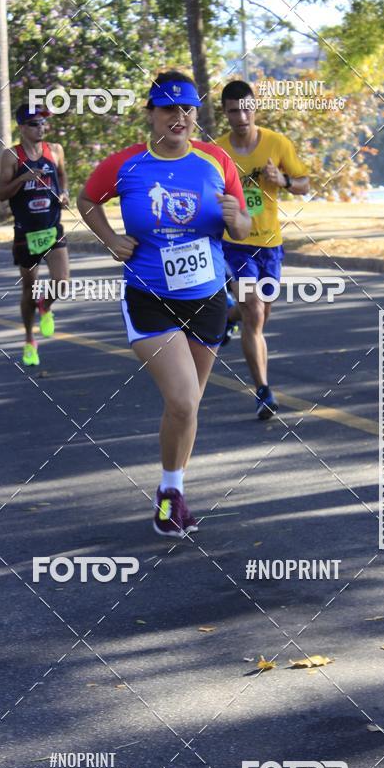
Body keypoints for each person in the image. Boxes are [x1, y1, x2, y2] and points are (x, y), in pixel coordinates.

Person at [77, 70, 250, 537]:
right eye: (169, 108)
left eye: (188, 108)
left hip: (209, 297)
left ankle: (171, 492)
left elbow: (243, 228)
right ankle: (170, 494)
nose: (179, 116)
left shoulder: (216, 160)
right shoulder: (125, 165)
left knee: (187, 408)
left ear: (197, 114)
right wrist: (111, 238)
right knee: (183, 399)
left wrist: (239, 218)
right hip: (150, 297)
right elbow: (87, 199)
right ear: (151, 114)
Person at [215, 80, 310, 419]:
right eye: (232, 110)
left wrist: (283, 181)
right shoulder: (218, 152)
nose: (240, 116)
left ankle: (227, 317)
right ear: (225, 113)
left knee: (260, 313)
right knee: (254, 311)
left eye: (245, 108)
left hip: (270, 244)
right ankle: (263, 391)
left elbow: (304, 184)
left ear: (254, 108)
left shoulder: (276, 143)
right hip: (235, 245)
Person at [0, 103, 70, 366]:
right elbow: (1, 194)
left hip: (52, 227)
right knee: (29, 288)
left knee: (61, 282)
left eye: (43, 123)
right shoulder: (11, 156)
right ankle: (29, 339)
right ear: (22, 127)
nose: (41, 128)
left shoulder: (55, 151)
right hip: (25, 233)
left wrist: (64, 195)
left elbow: (61, 176)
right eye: (34, 124)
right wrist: (23, 178)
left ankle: (46, 306)